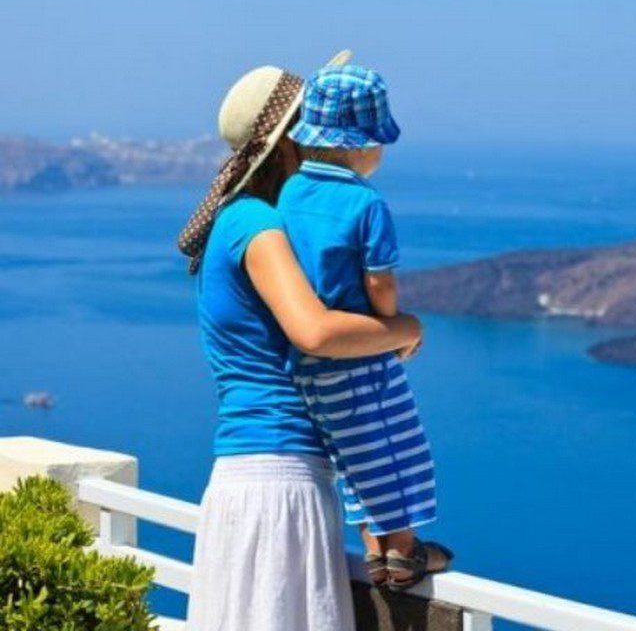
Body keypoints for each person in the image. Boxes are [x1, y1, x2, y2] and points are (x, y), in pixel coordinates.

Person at [178, 51, 423, 631]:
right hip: (280, 480)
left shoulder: (234, 220)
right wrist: (406, 329)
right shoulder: (257, 225)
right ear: (292, 141)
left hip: (248, 477)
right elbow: (314, 332)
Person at [280, 63, 452, 591]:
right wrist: (393, 327)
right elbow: (380, 282)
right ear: (363, 146)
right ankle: (403, 552)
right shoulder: (366, 202)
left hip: (308, 361)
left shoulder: (289, 194)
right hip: (360, 351)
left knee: (351, 453)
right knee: (393, 447)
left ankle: (375, 552)